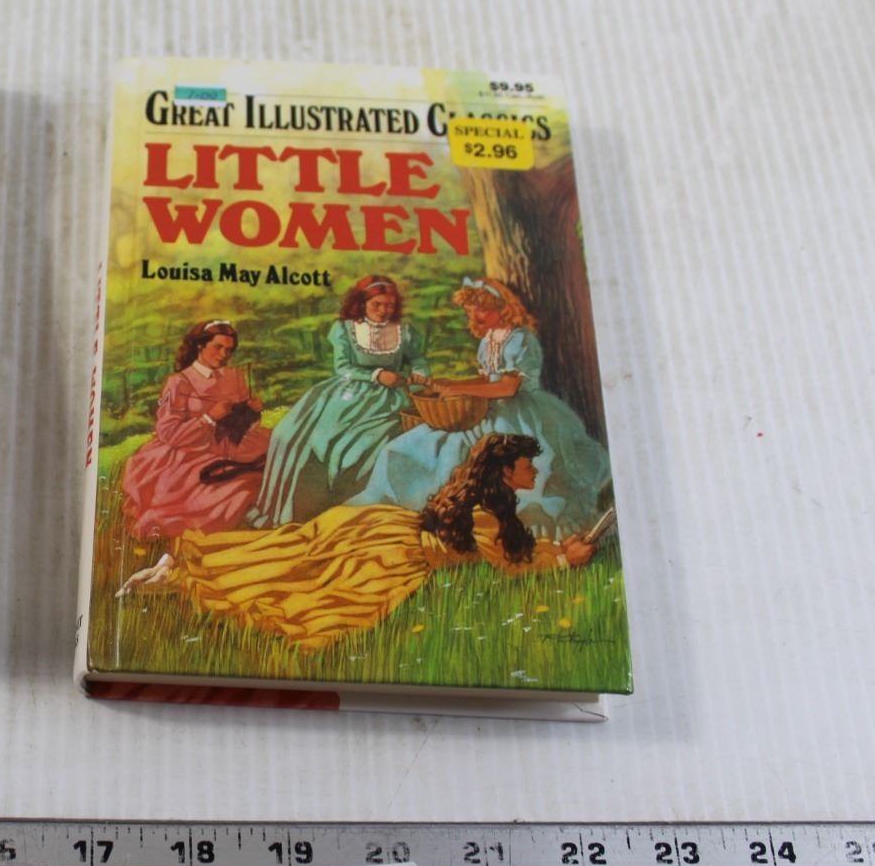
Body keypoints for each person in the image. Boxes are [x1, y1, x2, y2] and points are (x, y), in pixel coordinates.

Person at [121, 434, 595, 649]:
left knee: (296, 553)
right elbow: (508, 564)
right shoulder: (486, 511)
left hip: (386, 526)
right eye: (528, 465)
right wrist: (561, 563)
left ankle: (181, 569)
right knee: (313, 589)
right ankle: (182, 579)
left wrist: (557, 550)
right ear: (507, 471)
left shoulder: (487, 502)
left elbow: (510, 551)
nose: (534, 471)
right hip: (397, 551)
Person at [350, 277, 609, 534]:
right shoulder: (488, 340)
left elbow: (507, 388)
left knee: (464, 454)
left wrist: (459, 389)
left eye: (481, 309)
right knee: (409, 446)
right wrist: (452, 383)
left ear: (502, 308)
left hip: (517, 413)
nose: (475, 316)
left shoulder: (520, 339)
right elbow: (488, 380)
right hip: (487, 408)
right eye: (470, 311)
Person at [246, 275, 426, 527]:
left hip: (390, 398)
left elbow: (418, 360)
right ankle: (298, 514)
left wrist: (419, 374)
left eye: (389, 305)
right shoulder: (345, 329)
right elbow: (343, 368)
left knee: (365, 446)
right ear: (362, 304)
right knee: (293, 436)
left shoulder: (403, 332)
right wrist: (377, 375)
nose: (383, 311)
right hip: (346, 393)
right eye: (376, 304)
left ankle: (355, 512)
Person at [119, 320, 271, 540]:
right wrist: (209, 418)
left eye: (229, 350)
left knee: (269, 463)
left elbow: (244, 424)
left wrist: (252, 412)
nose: (224, 355)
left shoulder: (235, 376)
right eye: (218, 347)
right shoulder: (179, 382)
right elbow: (168, 432)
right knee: (227, 488)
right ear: (200, 345)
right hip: (191, 450)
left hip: (234, 444)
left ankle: (258, 515)